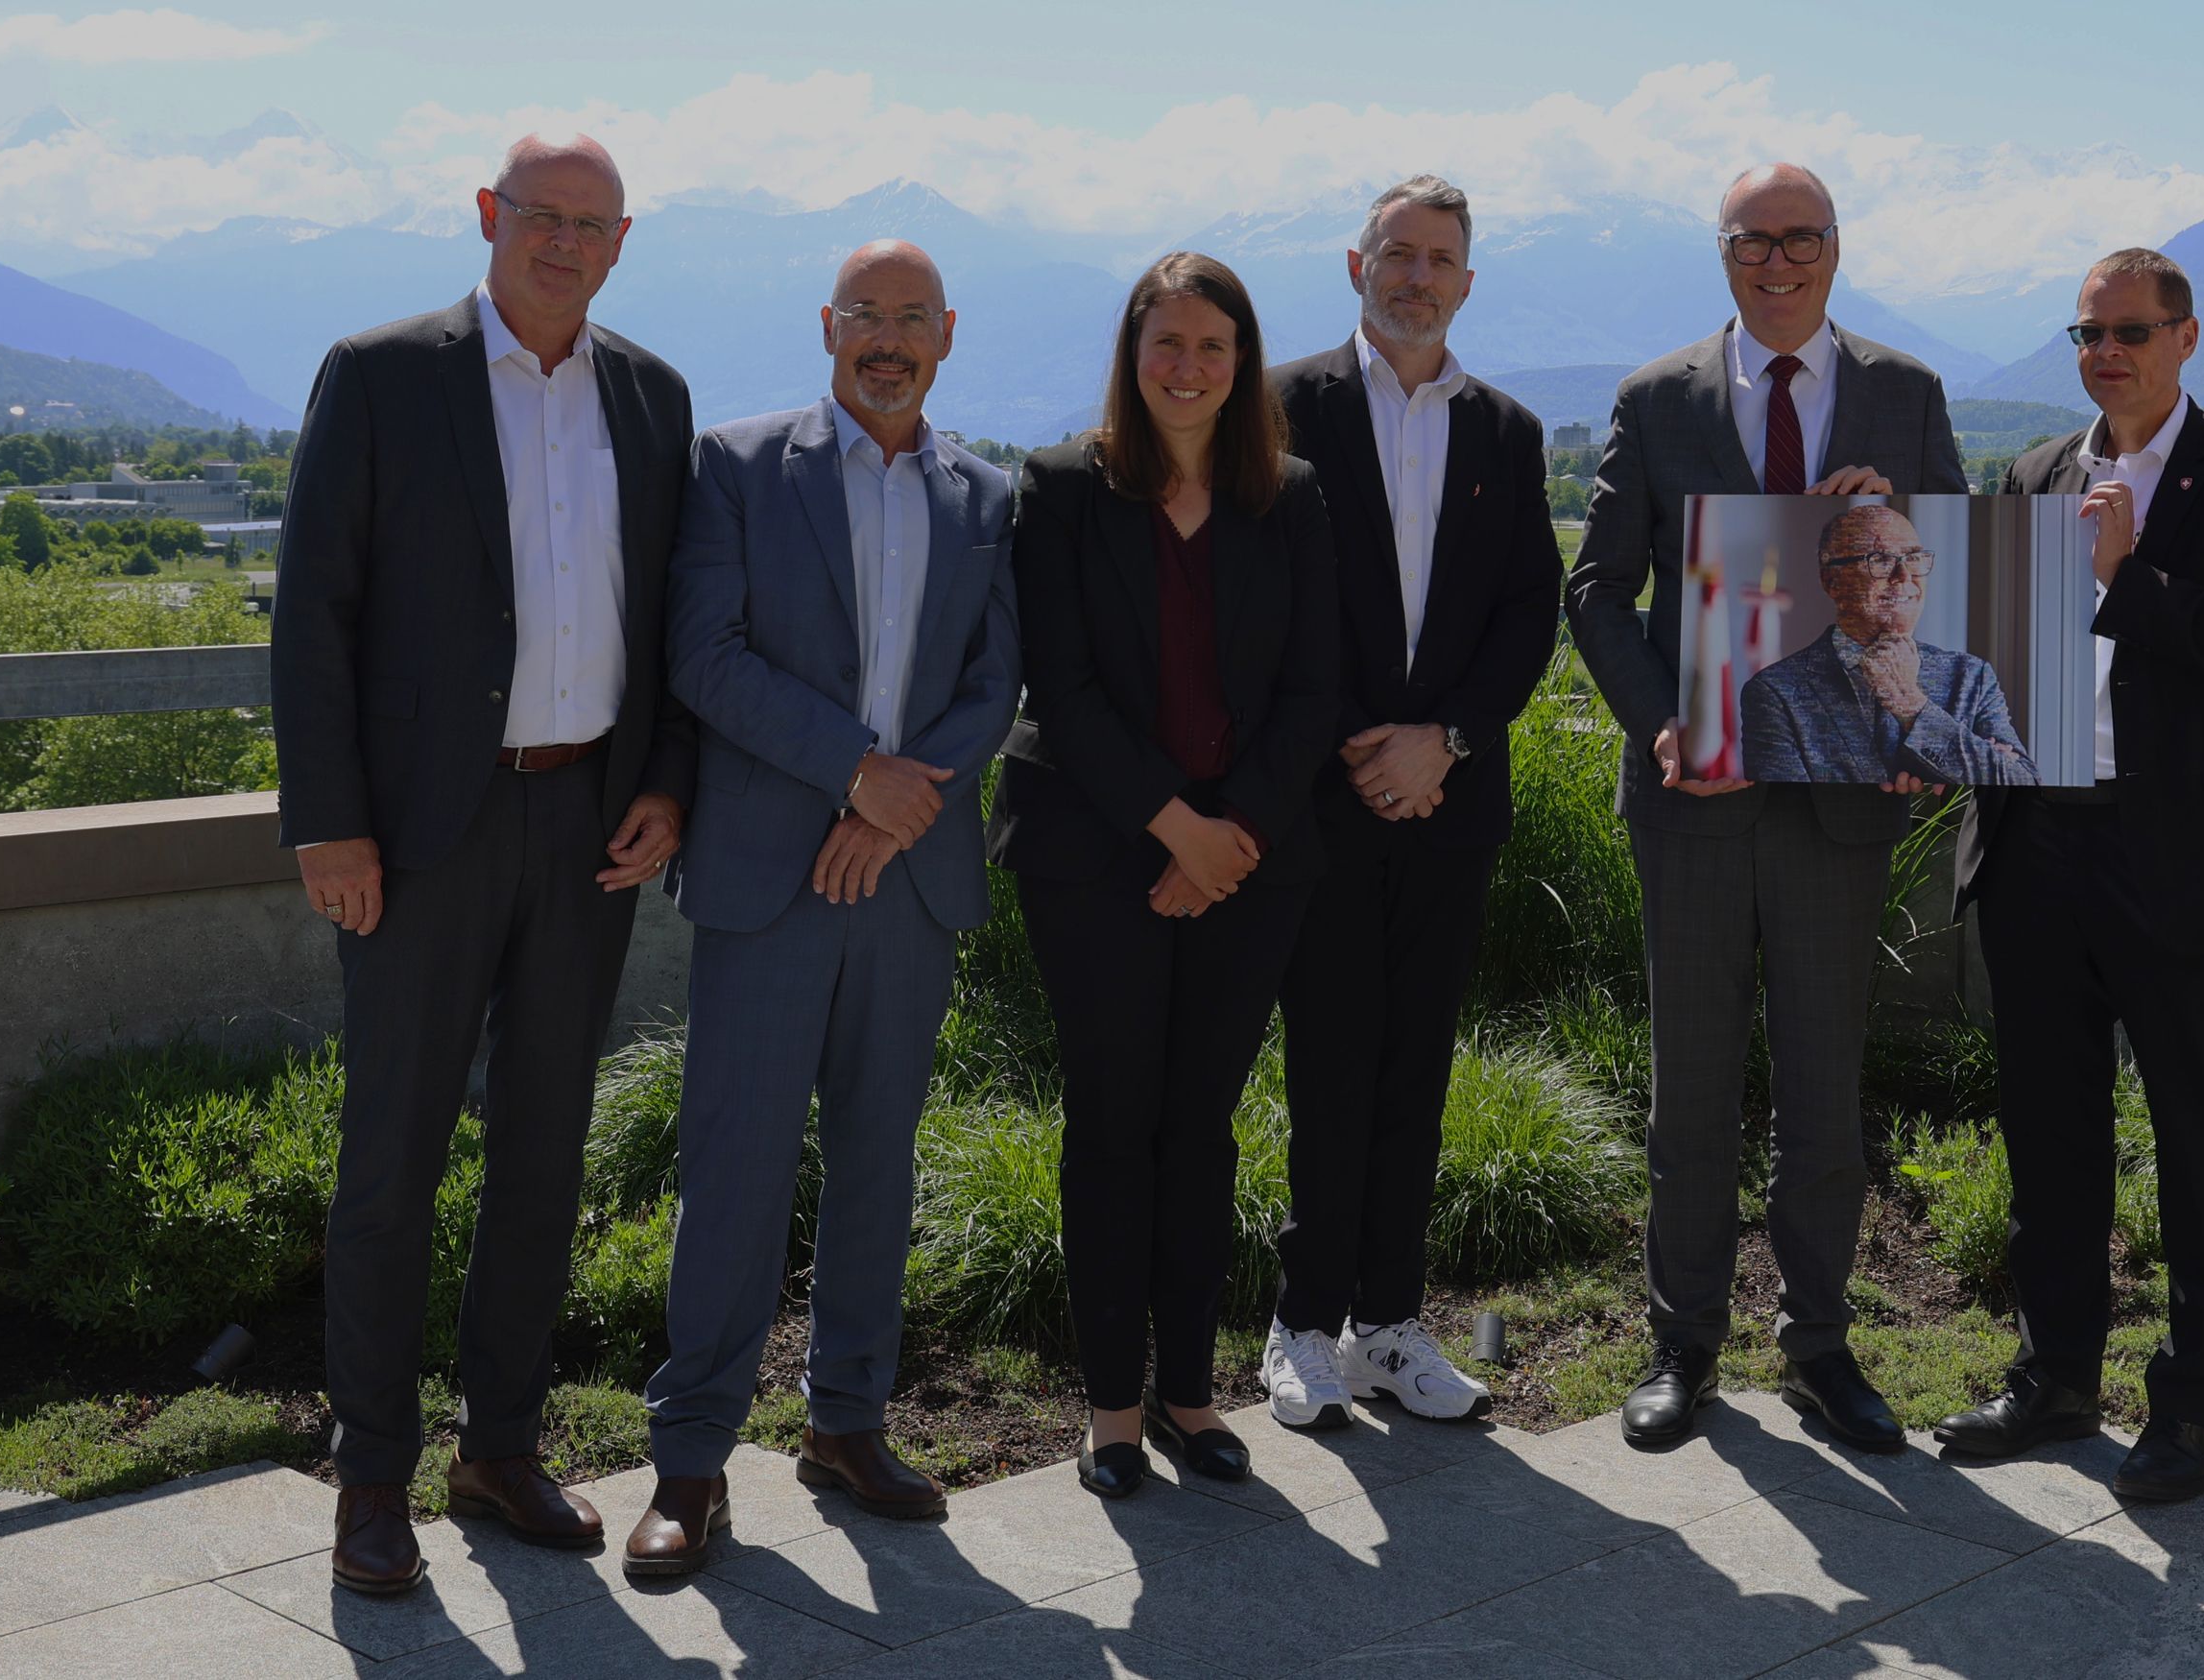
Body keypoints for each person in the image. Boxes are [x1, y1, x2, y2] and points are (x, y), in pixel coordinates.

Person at [272, 133, 695, 1595]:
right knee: (390, 1162)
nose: (563, 244)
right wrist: (327, 820)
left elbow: (672, 617)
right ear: (486, 218)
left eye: (591, 224)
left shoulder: (650, 394)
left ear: (622, 242)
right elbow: (313, 607)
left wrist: (665, 783)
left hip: (587, 824)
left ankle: (498, 1445)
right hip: (417, 835)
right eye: (539, 217)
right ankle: (371, 1477)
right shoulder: (383, 372)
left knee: (541, 1153)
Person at [623, 242, 1021, 1575]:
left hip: (906, 880)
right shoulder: (736, 466)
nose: (887, 339)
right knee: (734, 1166)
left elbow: (993, 675)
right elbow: (702, 655)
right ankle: (689, 1463)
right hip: (770, 877)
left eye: (912, 318)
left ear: (947, 335)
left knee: (876, 1158)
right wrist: (855, 773)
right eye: (866, 315)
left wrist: (897, 805)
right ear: (827, 325)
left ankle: (847, 1421)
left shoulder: (982, 491)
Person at [1565, 161, 1966, 1452]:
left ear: (1836, 249)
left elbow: (1945, 585)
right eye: (1753, 240)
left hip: (1840, 803)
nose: (1777, 262)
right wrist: (1662, 720)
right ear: (1721, 252)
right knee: (1690, 1086)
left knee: (1821, 1088)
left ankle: (1818, 1343)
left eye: (1800, 239)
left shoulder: (1903, 394)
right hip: (1694, 794)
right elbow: (1597, 591)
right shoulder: (1654, 397)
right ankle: (1680, 1344)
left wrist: (1921, 724)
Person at [1933, 249, 2204, 1502]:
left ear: (2184, 337)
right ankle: (2053, 1377)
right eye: (2086, 333)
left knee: (2197, 1138)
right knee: (2049, 1132)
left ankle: (2192, 1404)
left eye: (2128, 332)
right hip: (2037, 846)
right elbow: (1996, 668)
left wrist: (2124, 579)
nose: (2105, 352)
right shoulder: (2037, 473)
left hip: (2180, 864)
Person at [991, 252, 1340, 1499]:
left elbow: (1315, 687)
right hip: (1093, 859)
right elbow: (1062, 688)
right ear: (1130, 358)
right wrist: (1170, 830)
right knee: (1109, 1124)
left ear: (1241, 361)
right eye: (1164, 345)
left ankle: (1191, 1395)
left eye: (1210, 346)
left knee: (1199, 1128)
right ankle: (1110, 1412)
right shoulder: (1063, 488)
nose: (1185, 368)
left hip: (1251, 865)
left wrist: (1224, 834)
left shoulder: (1289, 496)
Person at [1263, 175, 1561, 1428]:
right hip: (1321, 803)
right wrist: (1355, 748)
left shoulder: (1505, 429)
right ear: (1352, 265)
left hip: (1449, 800)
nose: (1415, 275)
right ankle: (1298, 1325)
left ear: (1466, 281)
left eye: (1439, 257)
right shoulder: (1277, 406)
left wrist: (1440, 741)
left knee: (1413, 1069)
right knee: (1328, 1061)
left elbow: (1525, 610)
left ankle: (1387, 1324)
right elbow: (1267, 600)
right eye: (1396, 252)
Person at [1738, 503, 2037, 787]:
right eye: (1880, 560)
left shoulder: (1972, 675)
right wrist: (1959, 770)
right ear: (1832, 581)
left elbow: (2023, 784)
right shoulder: (1775, 692)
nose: (1905, 576)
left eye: (1914, 558)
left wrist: (1911, 705)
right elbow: (1785, 810)